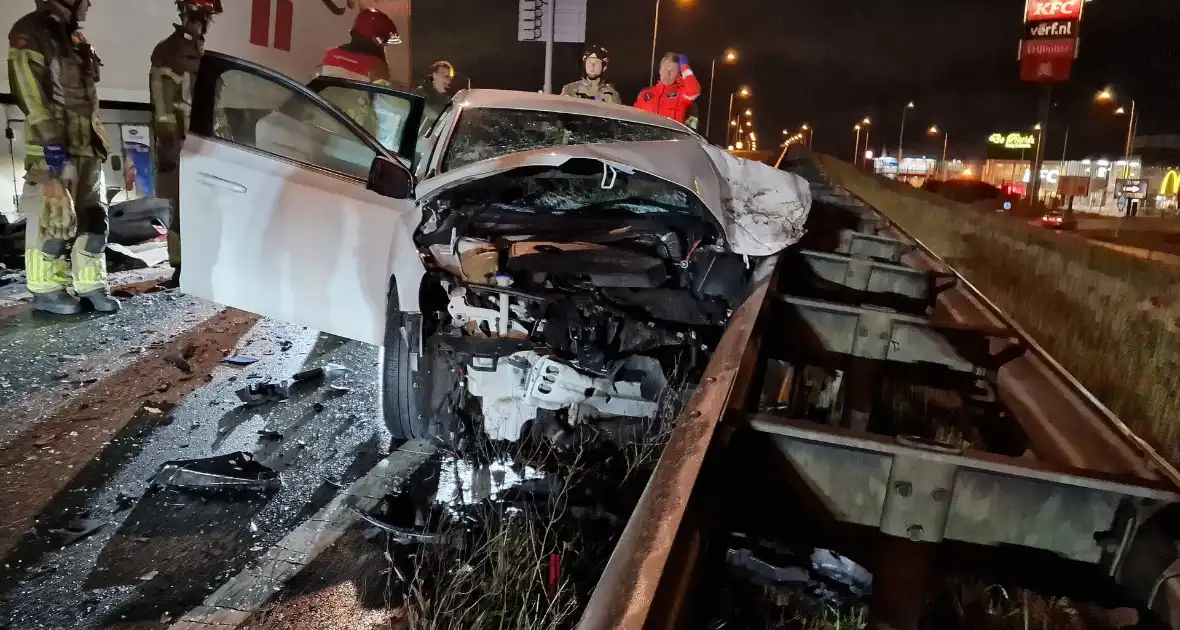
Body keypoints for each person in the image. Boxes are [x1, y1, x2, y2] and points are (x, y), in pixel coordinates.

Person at [8, 0, 120, 314]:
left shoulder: (76, 40)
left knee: (94, 219)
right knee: (52, 222)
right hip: (54, 146)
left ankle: (91, 286)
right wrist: (49, 139)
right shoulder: (31, 31)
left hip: (87, 145)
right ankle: (47, 290)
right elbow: (28, 89)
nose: (88, 3)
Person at [151, 0, 222, 289]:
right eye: (203, 15)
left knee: (199, 207)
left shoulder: (197, 52)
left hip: (198, 144)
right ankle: (182, 268)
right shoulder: (170, 51)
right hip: (182, 144)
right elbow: (164, 105)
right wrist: (174, 145)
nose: (204, 21)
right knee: (182, 208)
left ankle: (197, 264)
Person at [317, 8, 399, 131]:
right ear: (376, 38)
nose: (385, 45)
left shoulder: (331, 54)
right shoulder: (377, 66)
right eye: (384, 40)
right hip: (353, 132)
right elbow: (387, 104)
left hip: (320, 121)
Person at [634, 53, 701, 125]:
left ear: (678, 74)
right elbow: (633, 117)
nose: (667, 73)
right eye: (665, 69)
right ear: (660, 70)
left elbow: (694, 91)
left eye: (672, 71)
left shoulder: (681, 94)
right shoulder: (645, 94)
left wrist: (685, 67)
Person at [414, 60, 455, 130]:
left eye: (448, 76)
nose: (446, 78)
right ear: (434, 75)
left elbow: (447, 118)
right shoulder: (421, 91)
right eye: (442, 74)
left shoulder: (448, 98)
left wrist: (442, 93)